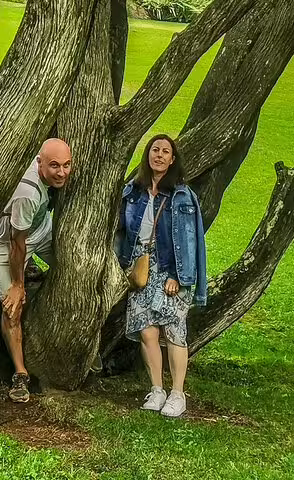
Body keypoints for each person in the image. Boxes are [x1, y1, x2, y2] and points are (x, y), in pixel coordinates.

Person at [116, 134, 207, 417]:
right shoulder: (133, 191)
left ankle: (177, 393)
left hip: (171, 269)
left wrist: (179, 277)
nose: (159, 155)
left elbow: (190, 241)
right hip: (141, 267)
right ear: (148, 155)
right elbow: (120, 231)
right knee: (147, 331)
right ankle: (157, 389)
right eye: (155, 150)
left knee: (174, 331)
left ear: (172, 159)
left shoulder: (181, 195)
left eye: (165, 151)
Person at [0, 138, 72, 403]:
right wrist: (17, 284)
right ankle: (20, 373)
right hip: (8, 241)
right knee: (11, 307)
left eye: (67, 165)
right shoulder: (28, 193)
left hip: (40, 229)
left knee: (74, 266)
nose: (62, 172)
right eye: (55, 166)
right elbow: (17, 243)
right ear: (39, 163)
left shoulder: (50, 178)